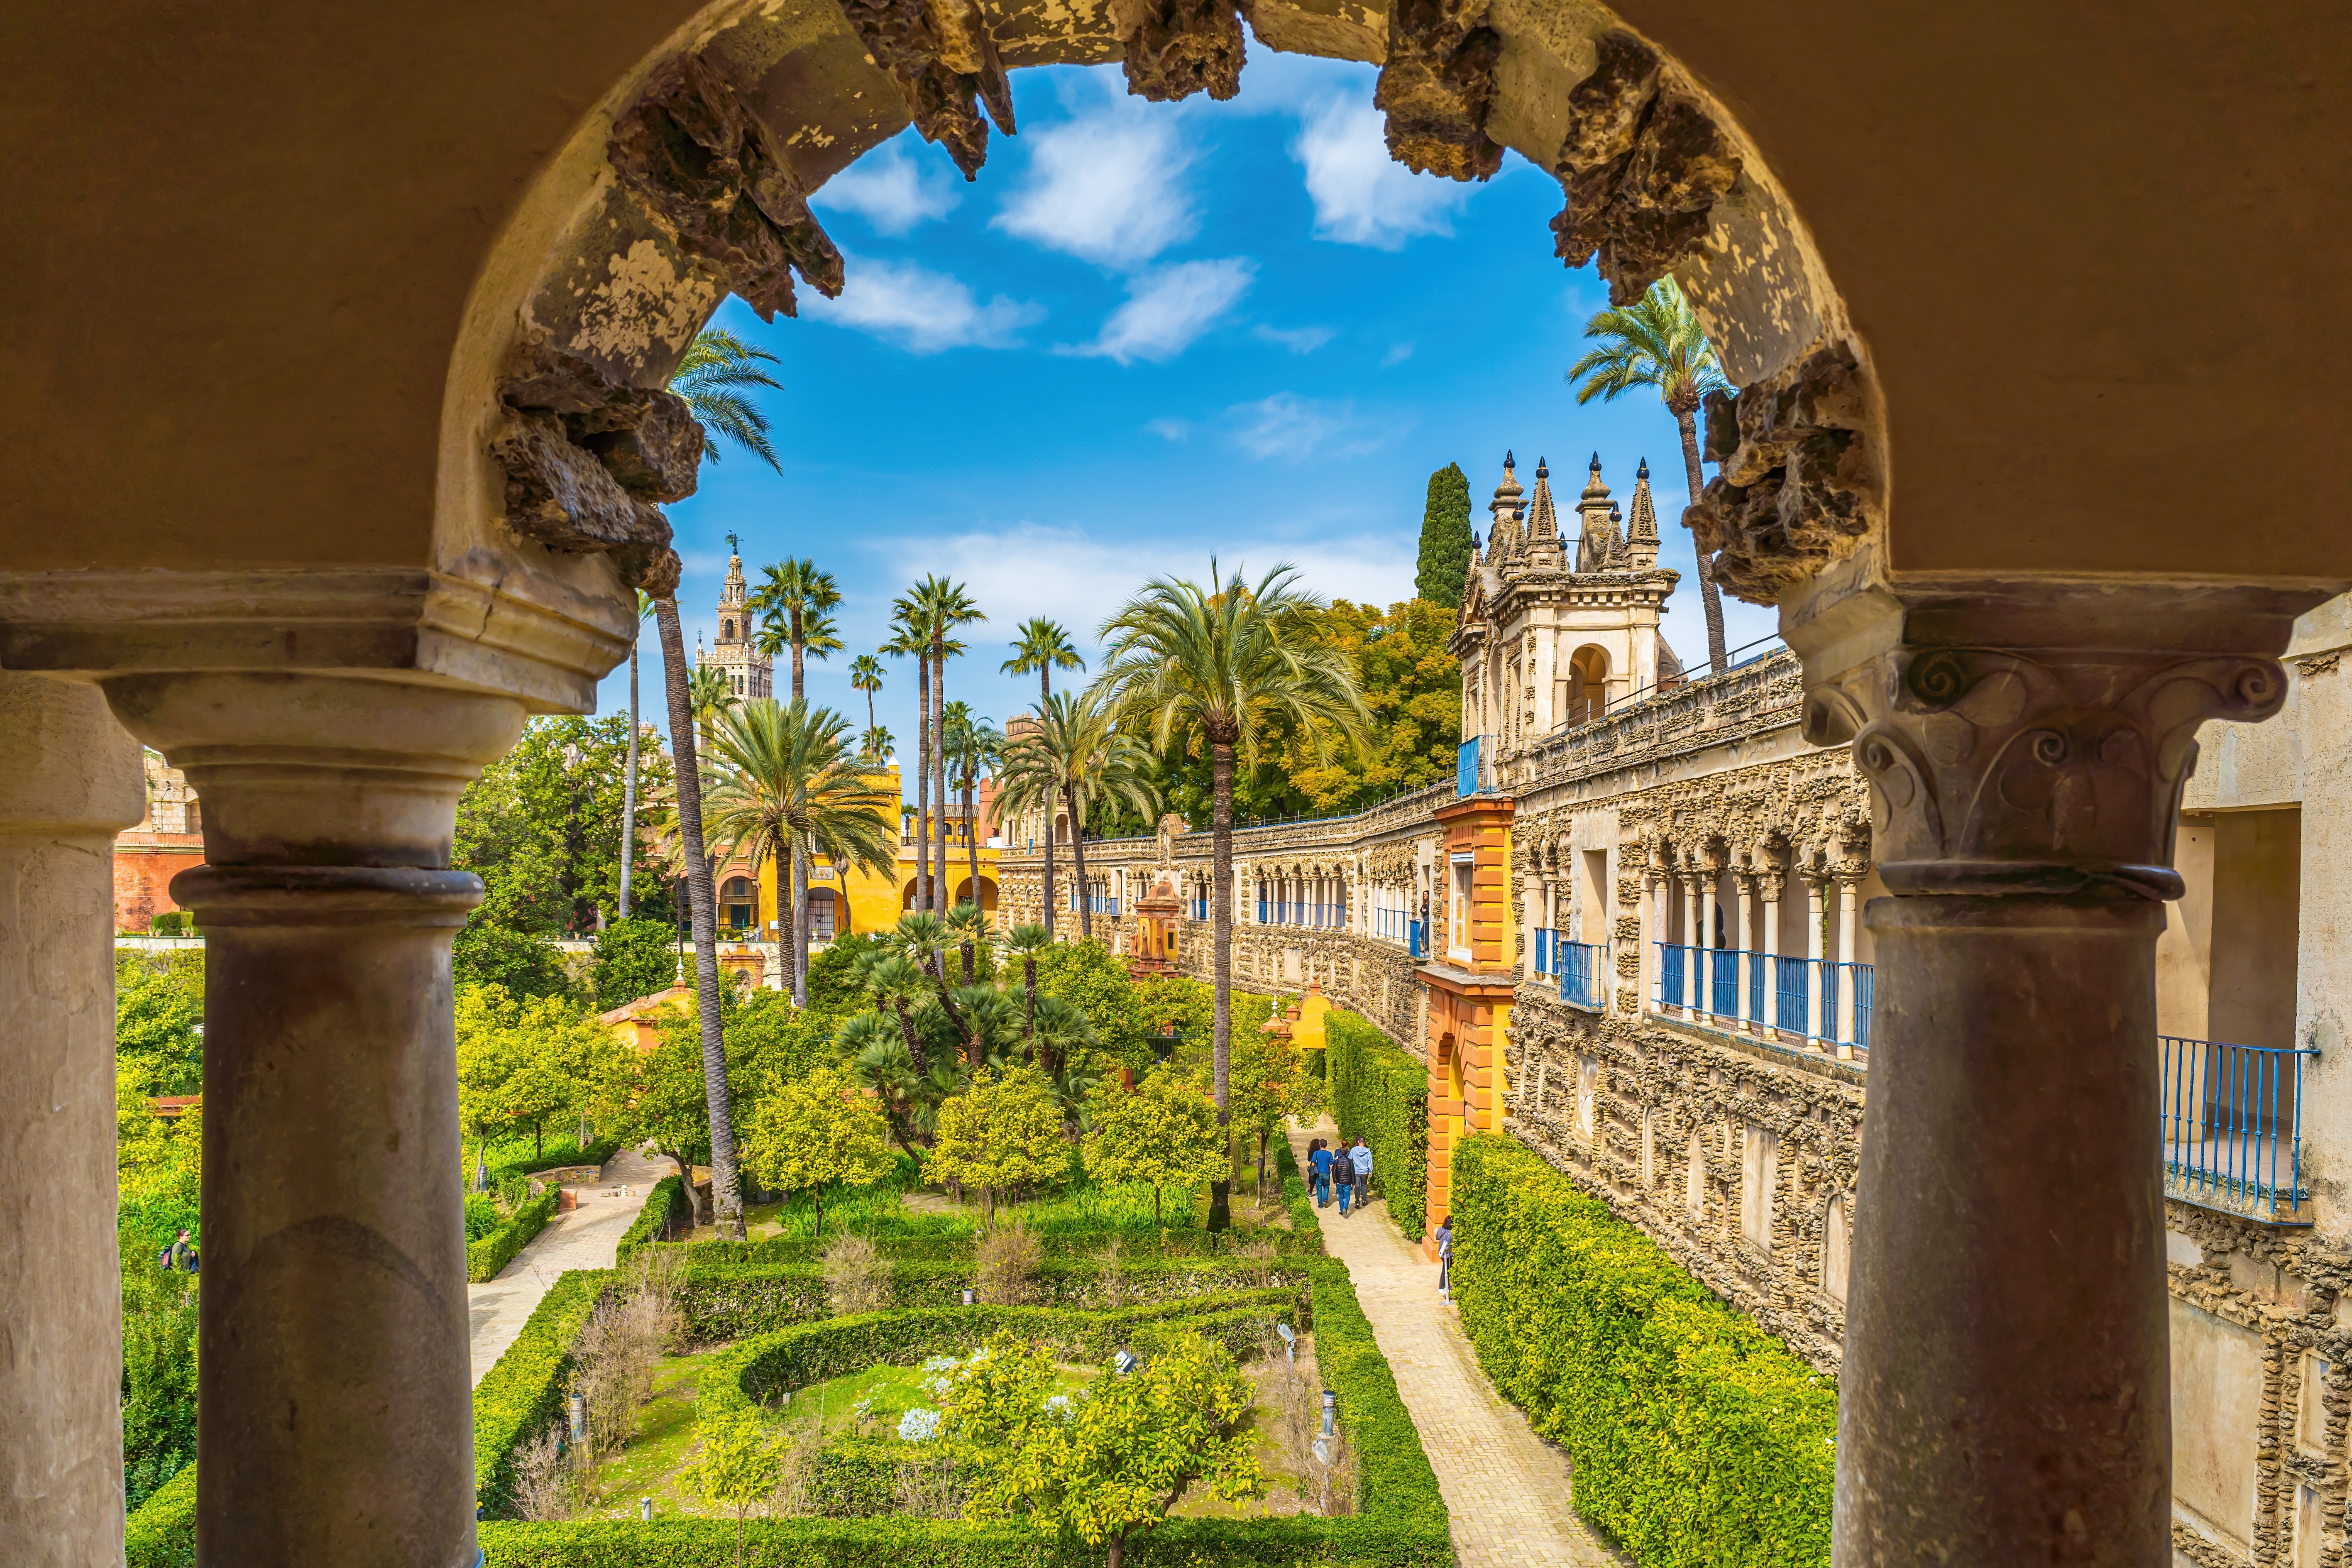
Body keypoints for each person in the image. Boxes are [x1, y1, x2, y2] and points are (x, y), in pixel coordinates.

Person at [1348, 1137, 1373, 1216]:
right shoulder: (1368, 1151)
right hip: (1364, 1172)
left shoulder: (1354, 1150)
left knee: (1357, 1186)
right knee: (1364, 1186)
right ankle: (1364, 1200)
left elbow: (1350, 1159)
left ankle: (1357, 1203)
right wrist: (1371, 1171)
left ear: (1358, 1142)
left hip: (1356, 1172)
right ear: (1365, 1142)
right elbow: (1370, 1161)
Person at [1309, 1139, 1334, 1207]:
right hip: (1327, 1174)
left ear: (1320, 1145)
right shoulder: (1329, 1154)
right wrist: (1330, 1171)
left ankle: (1320, 1204)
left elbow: (1313, 1164)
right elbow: (1332, 1164)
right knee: (1326, 1187)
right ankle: (1325, 1200)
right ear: (1326, 1145)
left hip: (1319, 1174)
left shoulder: (1316, 1153)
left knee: (1319, 1188)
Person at [1435, 1214, 1454, 1297]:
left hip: (1441, 1253)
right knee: (1446, 1270)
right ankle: (1443, 1287)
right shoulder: (1451, 1233)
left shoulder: (1441, 1229)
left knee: (1445, 1268)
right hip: (1448, 1254)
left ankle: (1445, 1286)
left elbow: (1437, 1238)